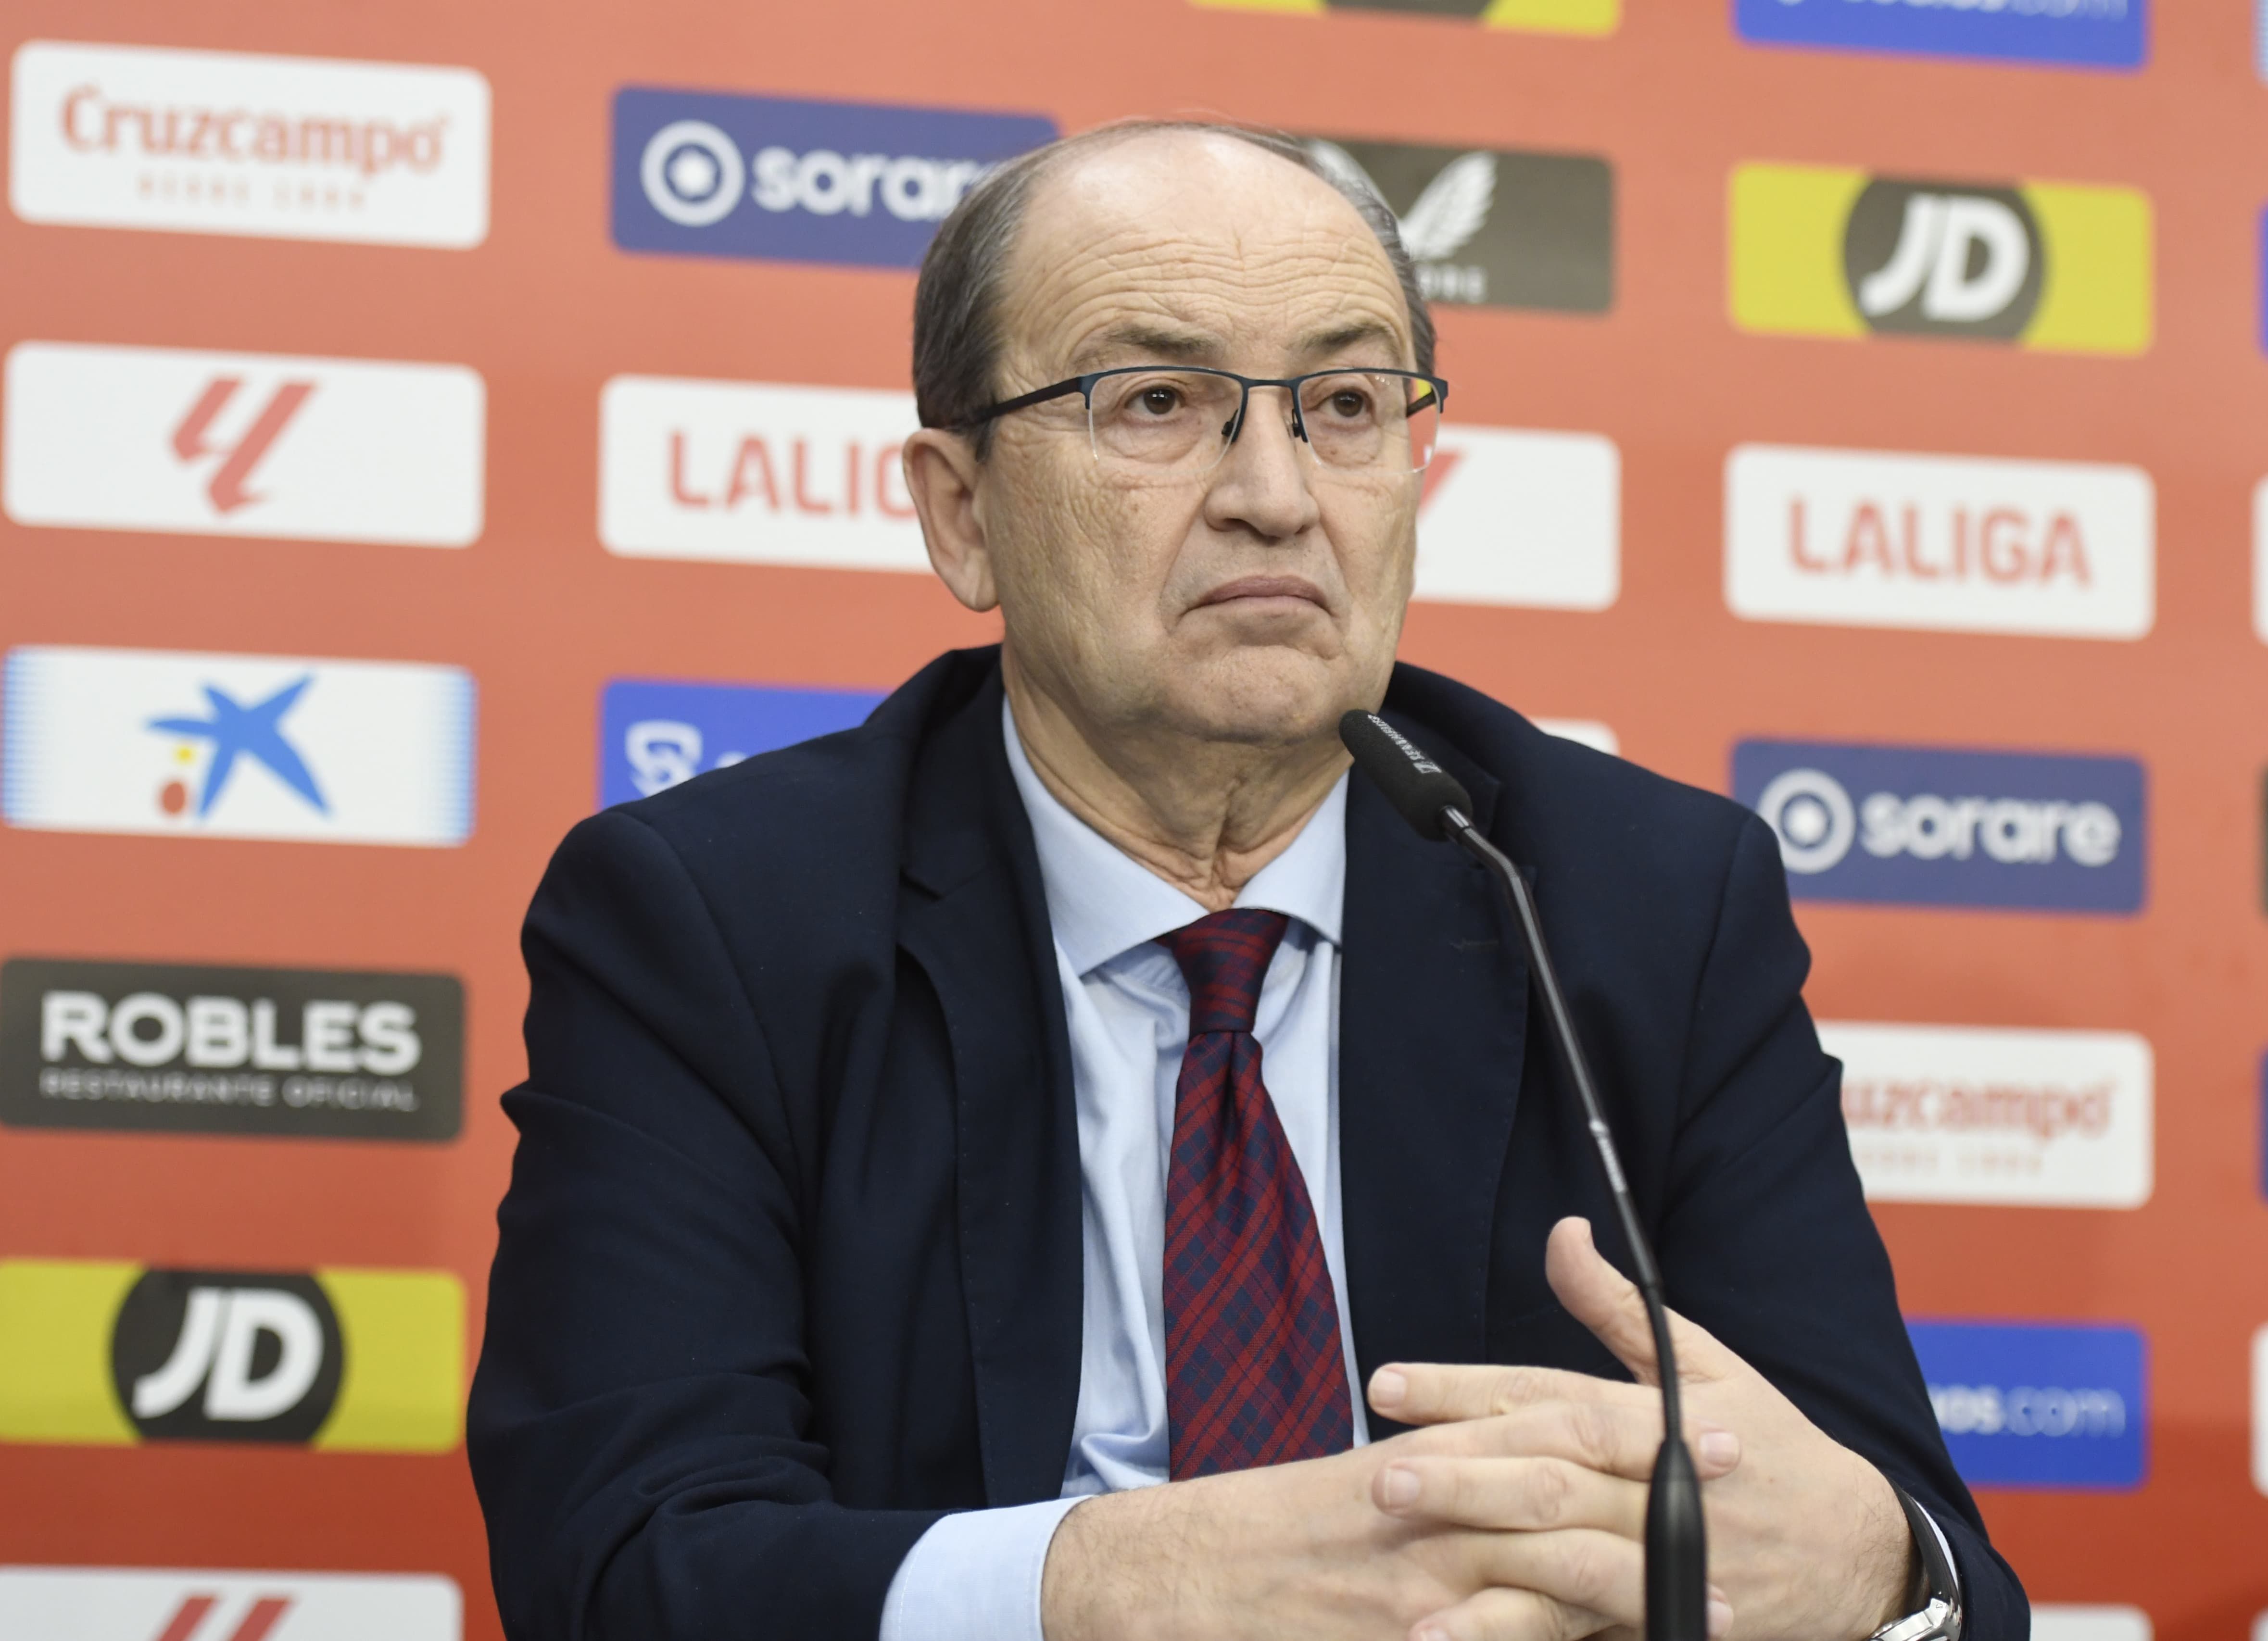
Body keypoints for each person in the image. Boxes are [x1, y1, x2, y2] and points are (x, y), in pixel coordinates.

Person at [467, 121, 2024, 1641]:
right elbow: (621, 1564)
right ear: (963, 513)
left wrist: (1888, 1582)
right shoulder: (712, 923)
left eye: (1345, 404)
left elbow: (1930, 1563)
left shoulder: (1640, 904)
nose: (1275, 492)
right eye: (1156, 401)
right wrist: (1122, 1587)